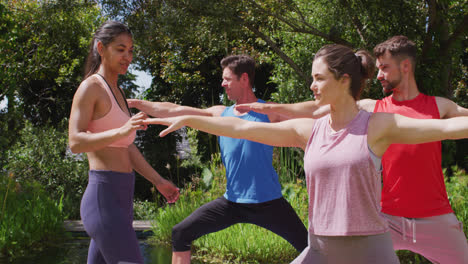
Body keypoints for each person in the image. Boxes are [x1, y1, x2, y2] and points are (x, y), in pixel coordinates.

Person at [142, 44, 468, 264]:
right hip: (322, 250)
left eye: (318, 78)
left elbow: (447, 129)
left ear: (343, 81)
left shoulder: (377, 125)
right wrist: (187, 118)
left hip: (370, 251)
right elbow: (239, 129)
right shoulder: (308, 130)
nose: (312, 85)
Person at [236, 36, 468, 263]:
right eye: (377, 68)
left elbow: (457, 124)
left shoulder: (439, 106)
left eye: (385, 68)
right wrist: (270, 108)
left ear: (405, 66)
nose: (378, 75)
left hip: (435, 216)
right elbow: (318, 109)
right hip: (387, 218)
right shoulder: (372, 109)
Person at [127, 55, 308, 264]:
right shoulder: (220, 114)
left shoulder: (269, 111)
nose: (223, 84)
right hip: (232, 203)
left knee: (311, 247)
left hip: (268, 203)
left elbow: (312, 124)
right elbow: (174, 110)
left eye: (227, 79)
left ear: (244, 79)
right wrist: (135, 103)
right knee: (180, 233)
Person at [68, 21, 180, 264]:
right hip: (103, 196)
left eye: (130, 50)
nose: (127, 56)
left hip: (122, 194)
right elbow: (75, 141)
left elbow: (126, 146)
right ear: (101, 48)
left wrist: (158, 181)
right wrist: (122, 130)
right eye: (120, 49)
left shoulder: (117, 91)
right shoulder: (90, 88)